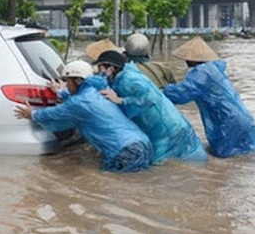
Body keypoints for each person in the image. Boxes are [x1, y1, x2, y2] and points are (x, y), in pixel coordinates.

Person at [15, 60, 153, 173]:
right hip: (142, 143)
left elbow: (55, 113)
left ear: (78, 81)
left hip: (124, 151)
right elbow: (78, 99)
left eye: (67, 81)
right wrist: (60, 92)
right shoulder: (94, 90)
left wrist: (32, 114)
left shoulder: (79, 102)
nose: (66, 85)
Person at [94, 50, 208, 164]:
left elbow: (150, 98)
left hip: (167, 131)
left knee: (161, 169)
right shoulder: (122, 76)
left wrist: (120, 100)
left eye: (100, 68)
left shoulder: (130, 80)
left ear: (111, 69)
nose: (98, 72)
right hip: (168, 127)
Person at [163, 36, 255, 158]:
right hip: (244, 121)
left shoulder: (201, 73)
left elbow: (182, 94)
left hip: (228, 124)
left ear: (191, 59)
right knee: (245, 162)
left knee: (224, 166)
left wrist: (162, 90)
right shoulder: (214, 69)